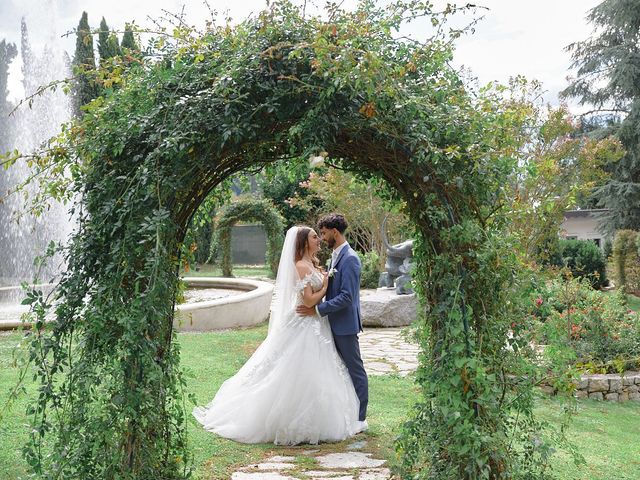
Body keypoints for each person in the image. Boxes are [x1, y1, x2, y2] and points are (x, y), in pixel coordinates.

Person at [192, 225, 361, 445]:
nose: (318, 239)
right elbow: (309, 301)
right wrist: (326, 285)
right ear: (303, 242)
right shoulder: (300, 265)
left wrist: (323, 289)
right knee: (296, 368)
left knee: (318, 369)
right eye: (313, 237)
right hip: (303, 322)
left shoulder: (313, 263)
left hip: (317, 323)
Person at [296, 213, 369, 428]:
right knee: (339, 371)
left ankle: (360, 419)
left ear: (334, 232)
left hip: (344, 325)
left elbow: (347, 296)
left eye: (324, 233)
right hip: (331, 325)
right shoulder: (335, 257)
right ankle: (345, 414)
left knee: (355, 370)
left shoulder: (351, 259)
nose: (322, 237)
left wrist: (318, 310)